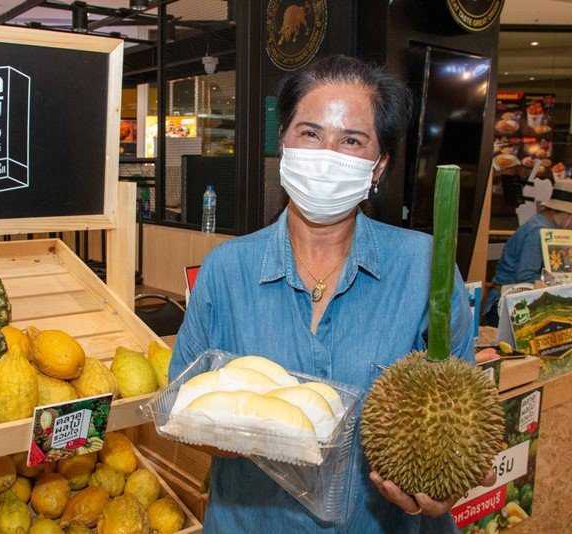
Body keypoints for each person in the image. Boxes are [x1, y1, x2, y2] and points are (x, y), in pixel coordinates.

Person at [169, 55, 481, 533]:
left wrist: (439, 493)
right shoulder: (227, 269)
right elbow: (180, 411)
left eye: (351, 140)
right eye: (310, 133)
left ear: (379, 166)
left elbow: (459, 420)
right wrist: (237, 429)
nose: (326, 153)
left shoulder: (425, 268)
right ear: (284, 144)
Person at [483, 180, 572, 326]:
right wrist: (558, 286)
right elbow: (526, 276)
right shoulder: (538, 230)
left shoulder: (549, 228)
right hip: (508, 306)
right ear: (568, 214)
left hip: (520, 303)